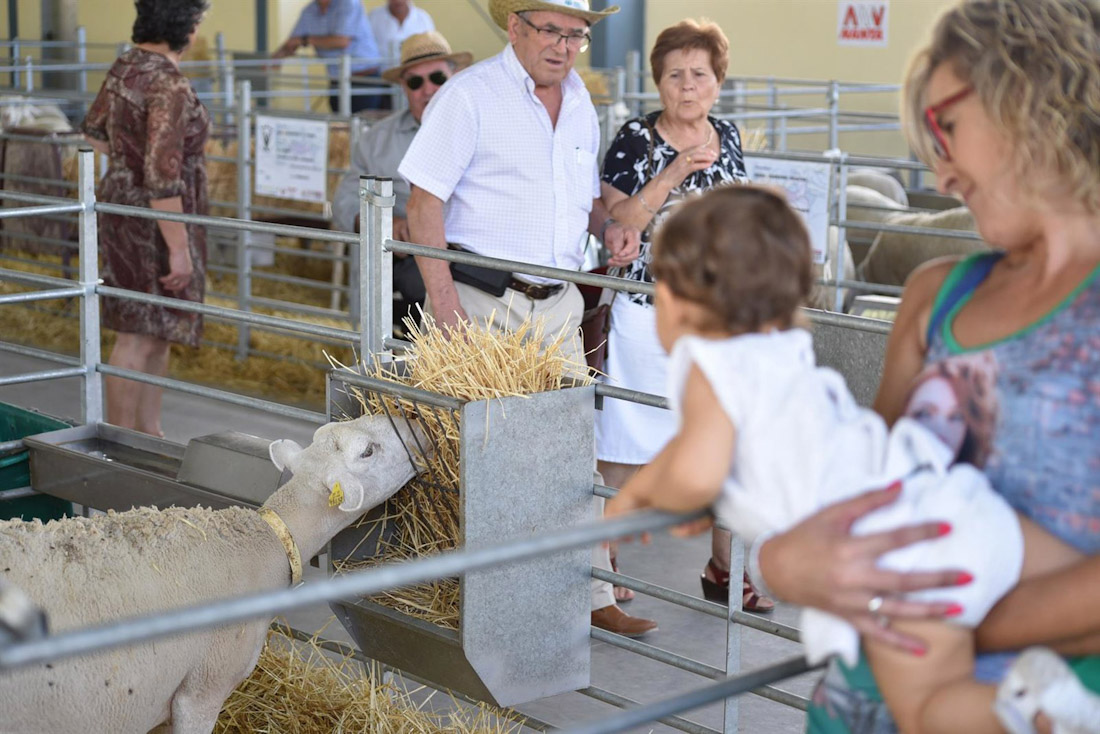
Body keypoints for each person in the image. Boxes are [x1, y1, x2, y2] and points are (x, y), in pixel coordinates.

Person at [604, 185, 1096, 733]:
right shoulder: (785, 349)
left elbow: (695, 467)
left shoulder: (707, 362)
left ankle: (1038, 710)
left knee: (926, 707)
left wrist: (639, 498)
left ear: (671, 302)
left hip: (889, 553)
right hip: (947, 500)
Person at [736, 1, 1100, 731]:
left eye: (947, 128)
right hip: (852, 712)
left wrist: (925, 618)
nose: (938, 166)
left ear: (1030, 93)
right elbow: (860, 491)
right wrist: (780, 565)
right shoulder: (937, 295)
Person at [399, 0, 654, 638]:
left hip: (557, 304)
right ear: (515, 27)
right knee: (486, 454)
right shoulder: (469, 96)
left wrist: (611, 229)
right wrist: (442, 297)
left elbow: (584, 200)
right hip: (483, 300)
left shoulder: (581, 107)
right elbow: (424, 199)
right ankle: (481, 601)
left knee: (570, 446)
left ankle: (593, 596)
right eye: (551, 30)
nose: (565, 46)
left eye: (577, 35)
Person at [592, 19, 765, 611]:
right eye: (674, 75)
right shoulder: (634, 140)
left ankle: (724, 567)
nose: (687, 87)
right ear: (658, 83)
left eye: (699, 74)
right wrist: (676, 170)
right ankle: (603, 562)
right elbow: (622, 226)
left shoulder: (731, 134)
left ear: (718, 81)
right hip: (648, 313)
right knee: (623, 438)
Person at [82, 0, 211, 438]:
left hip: (123, 209)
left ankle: (146, 434)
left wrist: (125, 166)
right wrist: (179, 250)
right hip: (159, 220)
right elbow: (162, 176)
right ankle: (122, 441)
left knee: (152, 329)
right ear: (186, 27)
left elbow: (94, 134)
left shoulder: (126, 67)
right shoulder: (168, 83)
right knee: (139, 333)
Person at [333, 31, 471, 328]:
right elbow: (343, 202)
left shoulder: (480, 133)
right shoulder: (376, 140)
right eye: (415, 82)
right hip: (404, 261)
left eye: (437, 78)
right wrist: (385, 226)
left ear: (454, 78)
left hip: (470, 258)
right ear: (403, 88)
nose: (428, 89)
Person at [271, 0, 384, 113]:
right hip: (336, 80)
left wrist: (305, 40)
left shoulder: (349, 4)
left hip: (365, 79)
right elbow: (293, 41)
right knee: (339, 126)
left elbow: (341, 41)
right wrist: (274, 60)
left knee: (364, 124)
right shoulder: (309, 10)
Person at [368, 0, 436, 61]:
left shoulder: (423, 19)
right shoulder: (373, 18)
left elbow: (431, 52)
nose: (398, 1)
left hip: (415, 72)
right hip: (382, 73)